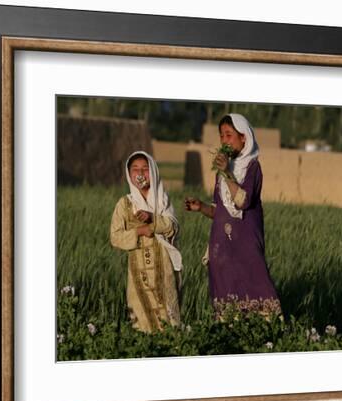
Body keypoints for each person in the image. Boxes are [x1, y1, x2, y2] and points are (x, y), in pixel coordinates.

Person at [184, 114, 281, 319]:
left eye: (229, 135)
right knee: (227, 297)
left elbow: (243, 202)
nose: (224, 141)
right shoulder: (221, 172)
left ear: (244, 138)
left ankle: (268, 339)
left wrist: (227, 173)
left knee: (257, 287)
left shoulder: (252, 167)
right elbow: (220, 209)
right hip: (222, 248)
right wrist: (200, 206)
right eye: (222, 136)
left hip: (245, 244)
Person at [110, 151, 182, 333]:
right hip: (137, 274)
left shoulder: (162, 200)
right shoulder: (124, 204)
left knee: (168, 317)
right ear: (129, 174)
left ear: (154, 172)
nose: (140, 173)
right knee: (141, 318)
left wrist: (152, 219)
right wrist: (139, 231)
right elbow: (115, 237)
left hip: (163, 270)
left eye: (145, 168)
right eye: (135, 169)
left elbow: (172, 227)